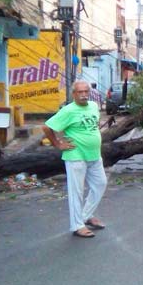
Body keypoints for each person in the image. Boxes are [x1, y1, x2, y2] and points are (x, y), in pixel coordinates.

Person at [42, 80, 107, 238]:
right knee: (76, 191)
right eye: (80, 92)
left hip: (94, 155)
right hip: (76, 156)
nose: (84, 95)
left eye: (86, 91)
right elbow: (46, 127)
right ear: (74, 94)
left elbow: (95, 124)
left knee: (100, 184)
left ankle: (86, 216)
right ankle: (78, 225)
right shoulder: (68, 110)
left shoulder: (93, 106)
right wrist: (58, 144)